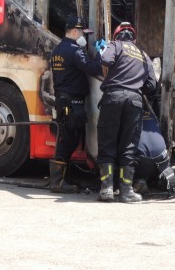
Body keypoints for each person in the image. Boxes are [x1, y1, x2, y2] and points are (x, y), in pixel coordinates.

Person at [96, 22, 157, 203]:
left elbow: (106, 60)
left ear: (116, 36)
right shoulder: (143, 55)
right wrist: (135, 89)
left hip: (113, 97)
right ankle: (126, 191)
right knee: (128, 145)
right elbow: (152, 85)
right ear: (134, 38)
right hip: (134, 101)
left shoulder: (115, 46)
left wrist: (103, 49)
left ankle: (107, 189)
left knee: (108, 142)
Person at [49, 14, 101, 193]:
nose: (84, 37)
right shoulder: (74, 51)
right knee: (69, 140)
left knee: (67, 137)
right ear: (74, 31)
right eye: (82, 34)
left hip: (63, 99)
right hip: (73, 101)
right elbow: (92, 68)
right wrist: (101, 56)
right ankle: (57, 181)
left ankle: (63, 177)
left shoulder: (57, 51)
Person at [134, 110, 175, 198]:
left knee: (125, 157)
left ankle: (138, 180)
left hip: (142, 161)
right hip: (162, 159)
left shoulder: (130, 117)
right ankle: (164, 175)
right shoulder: (152, 115)